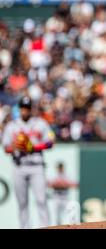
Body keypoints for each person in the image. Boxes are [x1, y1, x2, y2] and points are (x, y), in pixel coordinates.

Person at [1, 96, 55, 228]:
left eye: (28, 108)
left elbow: (51, 142)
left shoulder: (40, 123)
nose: (25, 111)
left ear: (31, 109)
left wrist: (34, 147)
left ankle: (45, 226)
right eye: (23, 108)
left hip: (37, 166)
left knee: (41, 200)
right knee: (22, 203)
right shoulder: (12, 126)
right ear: (19, 109)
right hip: (19, 166)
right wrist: (15, 146)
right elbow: (6, 148)